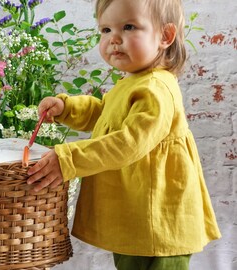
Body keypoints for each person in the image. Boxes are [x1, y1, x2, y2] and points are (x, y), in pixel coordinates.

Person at [27, 0, 221, 269]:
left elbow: (129, 143)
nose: (114, 39)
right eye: (105, 30)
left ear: (165, 36)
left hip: (157, 218)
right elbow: (105, 114)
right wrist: (67, 108)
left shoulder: (155, 88)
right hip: (137, 214)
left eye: (129, 27)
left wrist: (69, 159)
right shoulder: (133, 81)